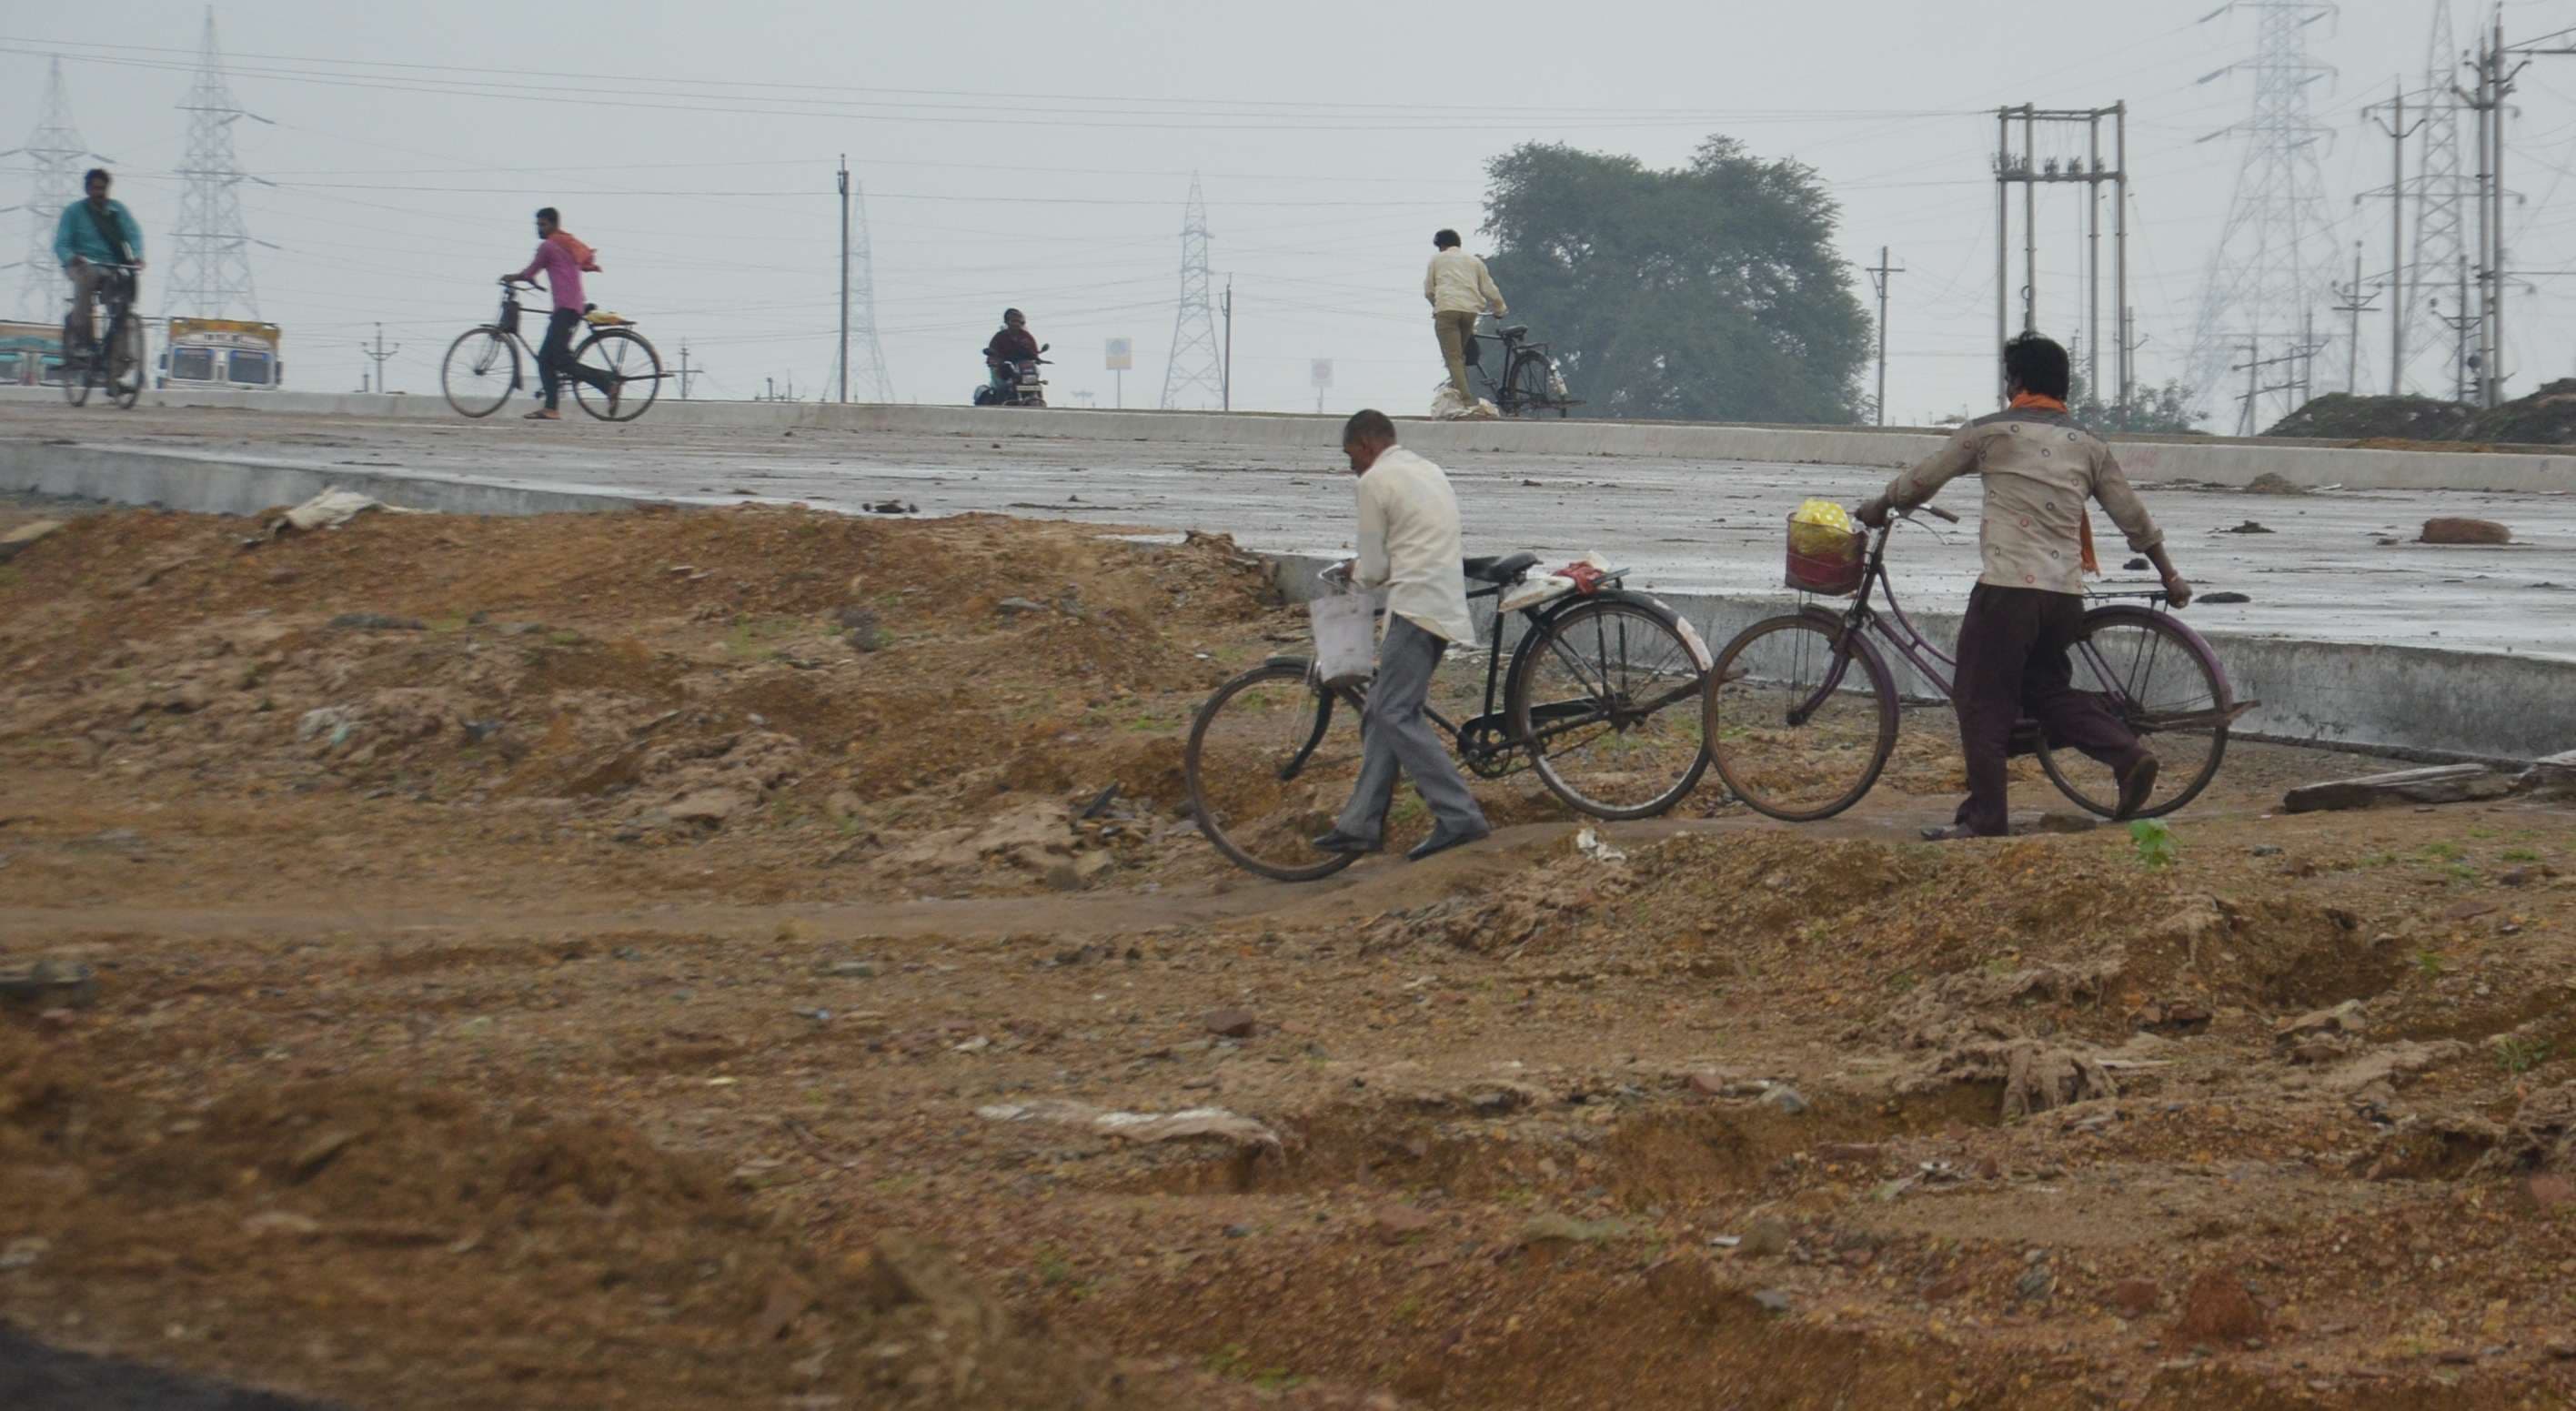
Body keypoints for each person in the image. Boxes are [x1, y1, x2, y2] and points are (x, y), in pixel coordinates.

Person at [1857, 332, 2193, 841]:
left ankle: (1987, 817)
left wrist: (1880, 504)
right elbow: (2131, 515)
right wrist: (2169, 572)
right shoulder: (2089, 444)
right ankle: (2127, 754)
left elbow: (1922, 480)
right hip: (2063, 596)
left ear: (2015, 381)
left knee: (1978, 699)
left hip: (2008, 590)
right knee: (2044, 689)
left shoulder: (1991, 432)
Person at [1311, 409, 1494, 862]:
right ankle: (1360, 824)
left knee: (1394, 711)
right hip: (1441, 601)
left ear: (1367, 444)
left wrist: (1353, 572)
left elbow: (1374, 570)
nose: (1350, 465)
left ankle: (1458, 815)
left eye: (1350, 454)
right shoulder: (1427, 469)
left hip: (1415, 606)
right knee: (1380, 711)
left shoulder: (1373, 482)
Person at [504, 207, 615, 421]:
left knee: (560, 359)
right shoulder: (564, 244)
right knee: (546, 358)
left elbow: (531, 270)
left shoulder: (549, 246)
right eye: (537, 224)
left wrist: (512, 277)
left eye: (543, 224)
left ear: (554, 225)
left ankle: (606, 383)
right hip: (568, 306)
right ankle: (551, 408)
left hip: (567, 308)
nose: (539, 229)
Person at [54, 168, 144, 363]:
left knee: (122, 303)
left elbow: (134, 234)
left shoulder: (117, 211)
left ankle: (118, 355)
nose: (99, 193)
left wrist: (137, 256)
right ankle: (81, 339)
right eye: (95, 188)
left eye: (103, 189)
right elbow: (60, 244)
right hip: (82, 265)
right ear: (87, 189)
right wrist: (71, 257)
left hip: (111, 265)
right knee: (88, 278)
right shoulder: (74, 212)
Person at [1423, 229, 1504, 401]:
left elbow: (1429, 291)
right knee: (1461, 356)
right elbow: (1489, 288)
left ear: (1442, 246)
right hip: (1470, 312)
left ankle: (1466, 401)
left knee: (1454, 358)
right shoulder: (1474, 261)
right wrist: (1499, 308)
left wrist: (1436, 306)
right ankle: (1458, 392)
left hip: (1447, 310)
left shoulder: (1437, 260)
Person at [984, 308, 1040, 392]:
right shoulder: (1000, 337)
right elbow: (992, 351)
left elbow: (1033, 351)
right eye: (1013, 321)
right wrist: (995, 360)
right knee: (1002, 386)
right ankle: (1000, 400)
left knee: (1036, 381)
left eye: (1019, 322)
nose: (1016, 324)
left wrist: (1037, 358)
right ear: (1007, 322)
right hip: (1003, 368)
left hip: (1021, 369)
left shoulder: (1027, 337)